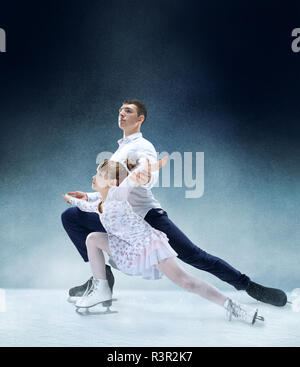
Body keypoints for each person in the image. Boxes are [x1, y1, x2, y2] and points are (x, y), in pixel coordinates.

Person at [61, 99, 287, 307]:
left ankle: (248, 285)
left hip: (147, 217)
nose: (121, 114)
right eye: (120, 111)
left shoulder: (143, 146)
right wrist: (89, 196)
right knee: (71, 216)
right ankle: (102, 279)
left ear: (140, 119)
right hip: (124, 222)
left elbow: (147, 168)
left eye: (128, 111)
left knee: (194, 255)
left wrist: (146, 175)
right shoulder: (121, 149)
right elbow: (112, 194)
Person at [62, 157, 264, 325]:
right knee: (93, 238)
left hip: (147, 245)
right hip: (127, 248)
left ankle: (233, 307)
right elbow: (87, 206)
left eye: (98, 174)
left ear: (113, 183)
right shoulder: (101, 202)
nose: (93, 176)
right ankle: (102, 289)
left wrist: (148, 168)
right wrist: (75, 200)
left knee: (186, 282)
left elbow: (128, 181)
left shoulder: (118, 194)